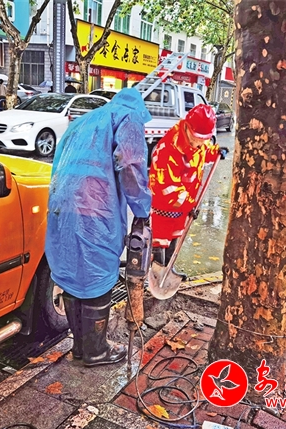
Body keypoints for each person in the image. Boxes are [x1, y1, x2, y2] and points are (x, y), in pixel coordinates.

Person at [45, 88, 152, 367]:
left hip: (62, 205)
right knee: (97, 273)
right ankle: (97, 351)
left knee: (74, 273)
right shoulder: (128, 117)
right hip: (95, 207)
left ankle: (80, 348)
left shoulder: (84, 120)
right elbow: (130, 163)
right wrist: (142, 209)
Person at [148, 104, 225, 279]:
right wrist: (190, 204)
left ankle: (169, 270)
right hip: (163, 207)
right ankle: (156, 275)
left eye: (204, 139)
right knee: (160, 241)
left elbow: (202, 152)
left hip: (182, 207)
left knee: (175, 238)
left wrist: (215, 152)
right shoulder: (169, 149)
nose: (200, 143)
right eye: (198, 138)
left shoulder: (197, 144)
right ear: (187, 127)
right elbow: (168, 188)